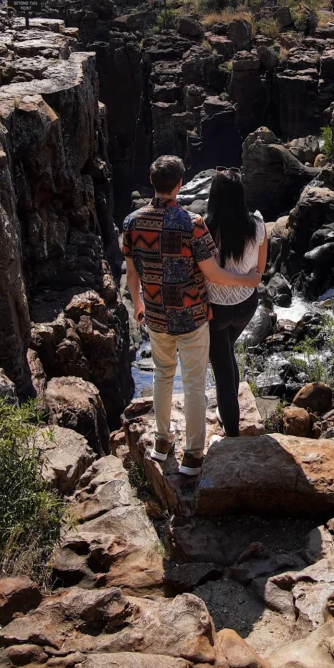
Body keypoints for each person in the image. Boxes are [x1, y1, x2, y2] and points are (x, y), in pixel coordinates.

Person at [122, 155, 262, 476]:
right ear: (180, 184)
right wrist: (248, 281)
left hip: (156, 314)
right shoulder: (192, 224)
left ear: (152, 181)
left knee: (162, 375)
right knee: (194, 384)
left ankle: (161, 442)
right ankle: (194, 457)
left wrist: (137, 304)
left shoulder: (132, 223)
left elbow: (132, 273)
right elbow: (212, 274)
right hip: (192, 316)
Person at [205, 167, 268, 437]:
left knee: (221, 365)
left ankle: (231, 432)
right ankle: (230, 411)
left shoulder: (205, 229)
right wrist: (246, 281)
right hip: (246, 305)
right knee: (228, 352)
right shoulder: (257, 225)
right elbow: (258, 272)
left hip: (216, 309)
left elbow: (204, 272)